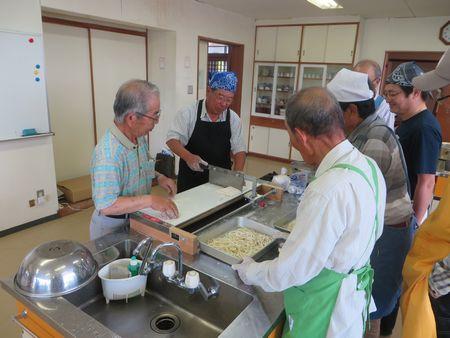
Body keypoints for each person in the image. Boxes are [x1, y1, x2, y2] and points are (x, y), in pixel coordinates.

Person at [232, 87, 387, 337]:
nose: (295, 147)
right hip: (351, 297)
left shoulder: (327, 189)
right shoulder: (367, 165)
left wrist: (250, 270)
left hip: (324, 309)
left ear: (302, 136)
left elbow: (290, 271)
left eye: (292, 139)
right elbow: (373, 230)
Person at [327, 69, 416, 338]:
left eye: (335, 114)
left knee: (369, 306)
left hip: (389, 233)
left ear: (352, 110)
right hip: (383, 229)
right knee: (367, 302)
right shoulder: (364, 130)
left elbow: (358, 198)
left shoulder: (374, 138)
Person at [90, 79, 179, 240]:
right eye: (154, 115)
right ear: (132, 118)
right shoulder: (108, 154)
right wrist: (151, 200)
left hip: (137, 218)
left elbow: (143, 166)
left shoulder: (138, 138)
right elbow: (107, 205)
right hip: (112, 227)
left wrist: (160, 177)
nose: (157, 121)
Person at [402, 48, 450, 338]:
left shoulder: (426, 128)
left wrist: (437, 282)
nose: (442, 106)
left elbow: (427, 182)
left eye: (444, 95)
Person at [166, 71, 246, 192]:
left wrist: (237, 174)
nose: (224, 103)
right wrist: (188, 157)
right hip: (191, 181)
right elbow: (172, 140)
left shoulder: (233, 118)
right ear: (209, 91)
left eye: (229, 99)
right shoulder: (188, 113)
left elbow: (239, 149)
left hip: (221, 181)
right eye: (220, 97)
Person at [385, 61, 442, 225]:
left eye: (393, 93)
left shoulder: (424, 128)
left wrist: (413, 224)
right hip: (397, 209)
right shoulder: (409, 122)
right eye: (386, 93)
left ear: (416, 92)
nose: (388, 99)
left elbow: (426, 181)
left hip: (406, 215)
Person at [354, 59, 396, 130]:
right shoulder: (348, 100)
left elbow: (386, 137)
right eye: (354, 80)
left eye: (363, 81)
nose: (357, 85)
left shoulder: (384, 107)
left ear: (377, 82)